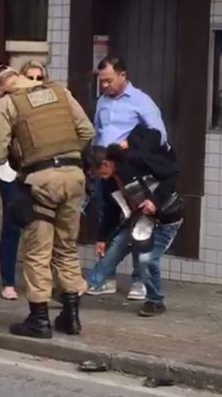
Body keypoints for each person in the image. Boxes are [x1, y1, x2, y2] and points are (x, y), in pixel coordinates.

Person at [0, 64, 95, 338]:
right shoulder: (61, 92)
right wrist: (65, 156)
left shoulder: (8, 103)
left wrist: (29, 157)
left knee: (38, 251)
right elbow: (87, 132)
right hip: (74, 176)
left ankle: (40, 320)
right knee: (67, 247)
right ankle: (70, 318)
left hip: (42, 181)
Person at [87, 55, 168, 300]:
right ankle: (107, 277)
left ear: (123, 75)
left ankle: (139, 281)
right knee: (108, 219)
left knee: (138, 224)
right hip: (105, 172)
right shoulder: (102, 101)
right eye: (101, 81)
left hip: (131, 172)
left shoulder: (141, 102)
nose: (104, 86)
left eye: (109, 80)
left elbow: (159, 137)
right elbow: (98, 132)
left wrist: (129, 147)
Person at [85, 125, 183, 316]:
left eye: (98, 173)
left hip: (166, 218)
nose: (98, 178)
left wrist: (155, 201)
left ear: (106, 164)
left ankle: (155, 301)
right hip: (140, 219)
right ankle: (83, 287)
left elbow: (172, 174)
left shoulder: (135, 160)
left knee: (148, 259)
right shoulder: (108, 183)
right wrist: (102, 238)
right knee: (114, 249)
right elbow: (111, 212)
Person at [0, 60, 51, 301]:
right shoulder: (7, 104)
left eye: (39, 78)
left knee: (41, 227)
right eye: (30, 77)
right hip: (11, 174)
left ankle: (39, 283)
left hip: (39, 173)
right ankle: (8, 281)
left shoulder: (48, 105)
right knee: (13, 225)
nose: (35, 83)